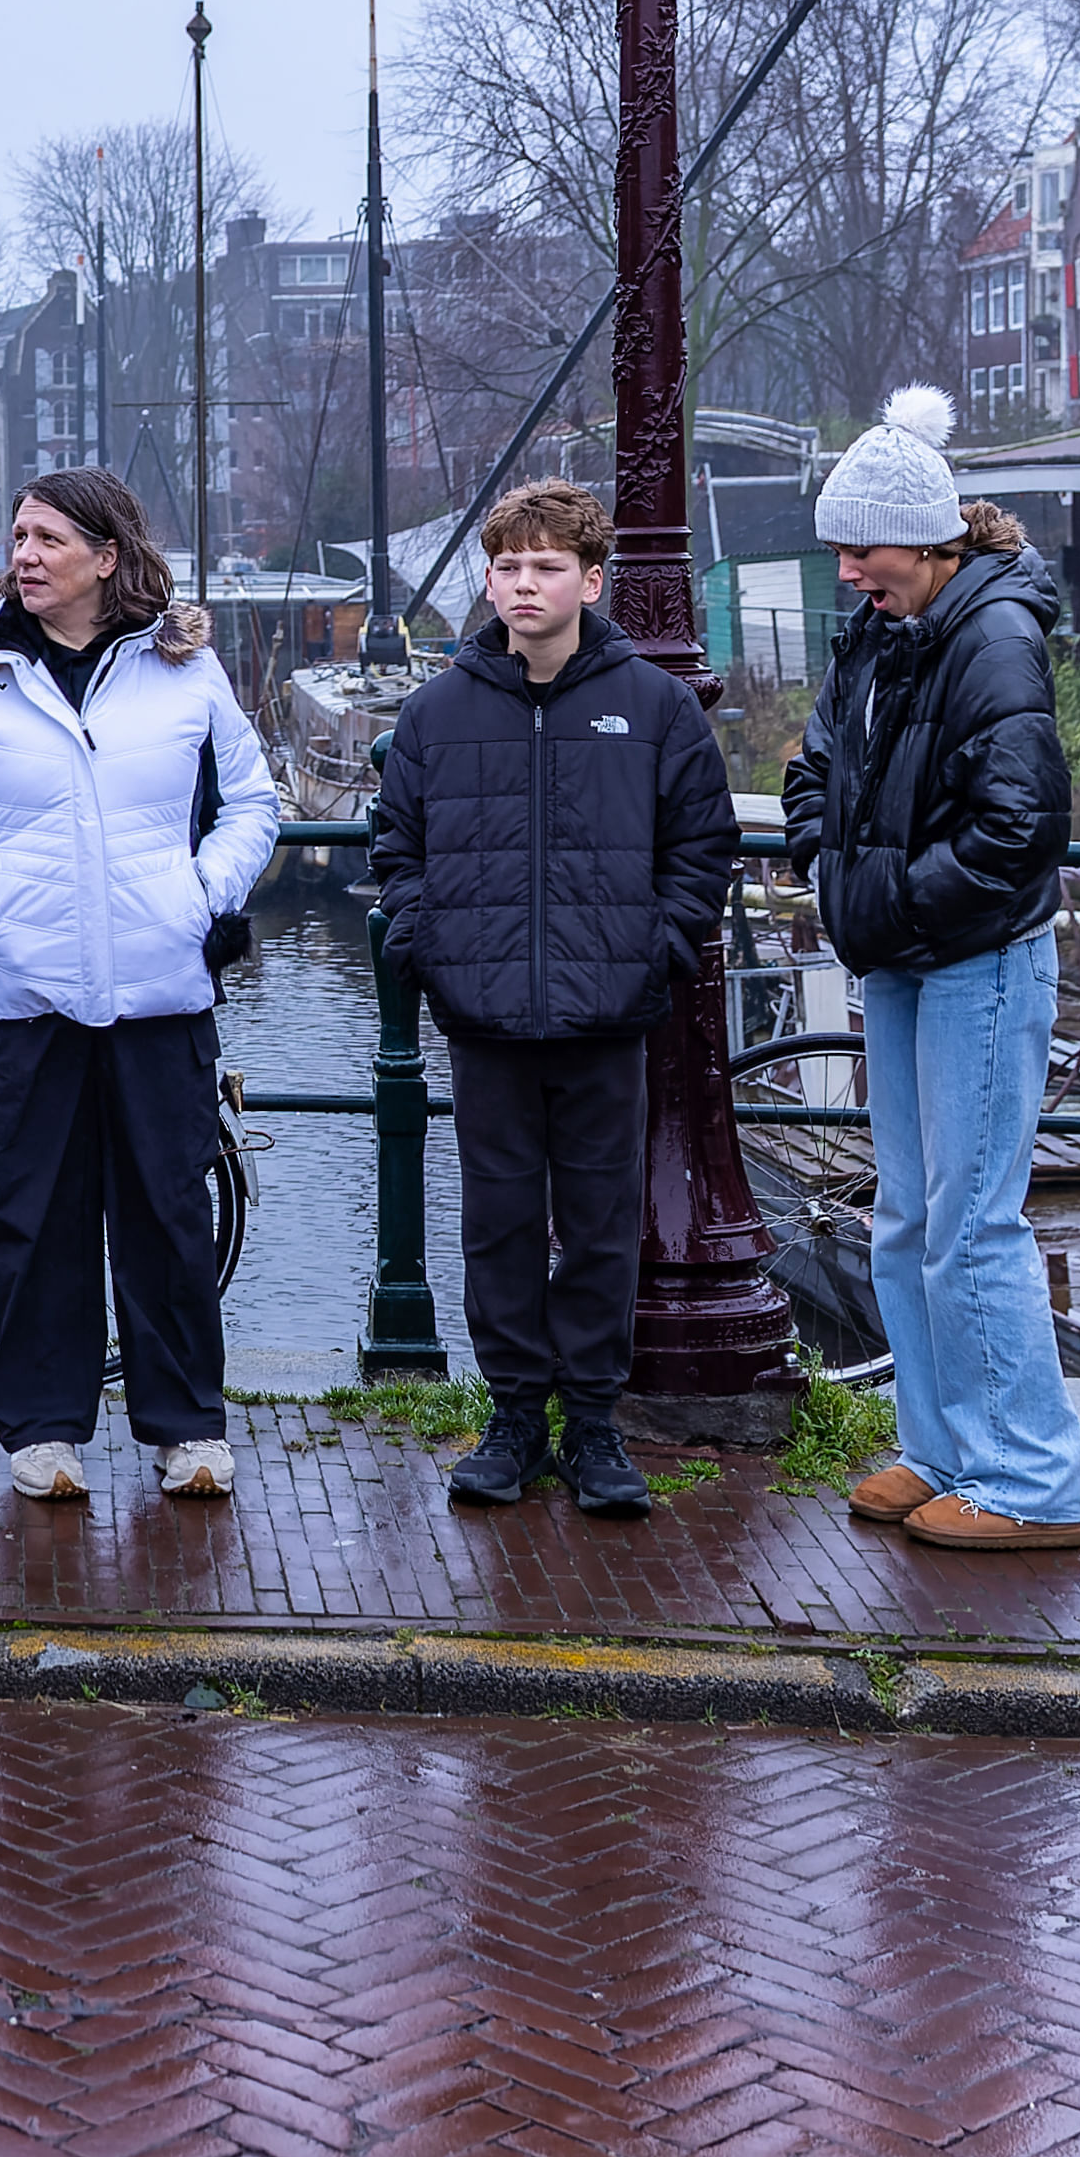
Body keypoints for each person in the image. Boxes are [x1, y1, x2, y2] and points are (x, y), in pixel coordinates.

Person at [0, 469, 277, 1503]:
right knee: (31, 1216)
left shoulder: (183, 672)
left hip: (161, 991)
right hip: (26, 993)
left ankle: (186, 1430)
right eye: (17, 535)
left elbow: (252, 800)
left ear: (107, 556)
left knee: (167, 1213)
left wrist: (200, 896)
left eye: (49, 538)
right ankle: (43, 1433)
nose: (25, 554)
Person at [366, 478, 734, 1516]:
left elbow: (700, 848)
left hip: (605, 1015)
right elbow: (397, 848)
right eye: (508, 567)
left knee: (600, 1226)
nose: (523, 585)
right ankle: (514, 1417)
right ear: (488, 580)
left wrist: (650, 953)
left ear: (589, 579)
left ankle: (595, 1426)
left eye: (545, 567)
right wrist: (432, 947)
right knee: (497, 1224)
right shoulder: (437, 712)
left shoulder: (654, 708)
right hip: (483, 1018)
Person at [779, 389, 1080, 1553]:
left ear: (929, 540)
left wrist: (884, 899)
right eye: (840, 550)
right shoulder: (888, 630)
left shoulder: (994, 638)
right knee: (910, 1218)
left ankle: (1026, 1480)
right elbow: (815, 763)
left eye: (863, 549)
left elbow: (1021, 830)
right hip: (910, 956)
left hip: (971, 960)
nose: (849, 570)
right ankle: (943, 1448)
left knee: (971, 1221)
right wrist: (836, 856)